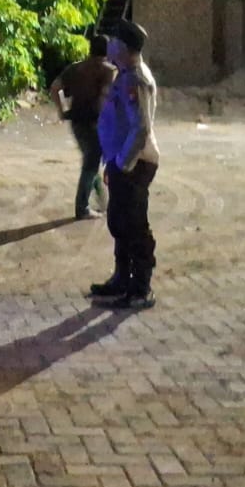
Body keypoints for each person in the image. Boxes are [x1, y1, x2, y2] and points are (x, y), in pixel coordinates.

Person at [91, 20, 160, 308]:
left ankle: (140, 288)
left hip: (134, 164)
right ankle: (122, 279)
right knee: (119, 222)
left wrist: (122, 163)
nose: (109, 45)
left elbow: (140, 128)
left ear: (125, 47)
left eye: (114, 41)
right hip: (122, 162)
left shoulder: (136, 80)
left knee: (134, 226)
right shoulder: (126, 75)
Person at [50, 35, 115, 220]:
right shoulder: (109, 71)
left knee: (90, 161)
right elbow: (109, 98)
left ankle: (102, 201)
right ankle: (82, 208)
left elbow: (55, 88)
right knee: (91, 163)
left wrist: (62, 110)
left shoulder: (76, 68)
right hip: (96, 122)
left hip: (77, 122)